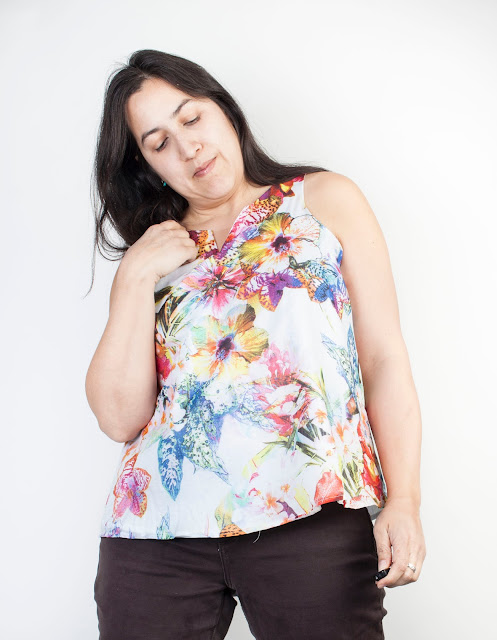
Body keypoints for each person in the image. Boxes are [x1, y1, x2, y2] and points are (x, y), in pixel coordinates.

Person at [85, 49, 426, 640]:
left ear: (224, 109)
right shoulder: (155, 253)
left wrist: (405, 501)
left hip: (311, 509)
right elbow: (119, 418)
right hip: (156, 533)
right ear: (147, 164)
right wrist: (135, 275)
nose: (188, 147)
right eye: (159, 142)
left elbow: (384, 360)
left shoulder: (322, 201)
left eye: (191, 118)